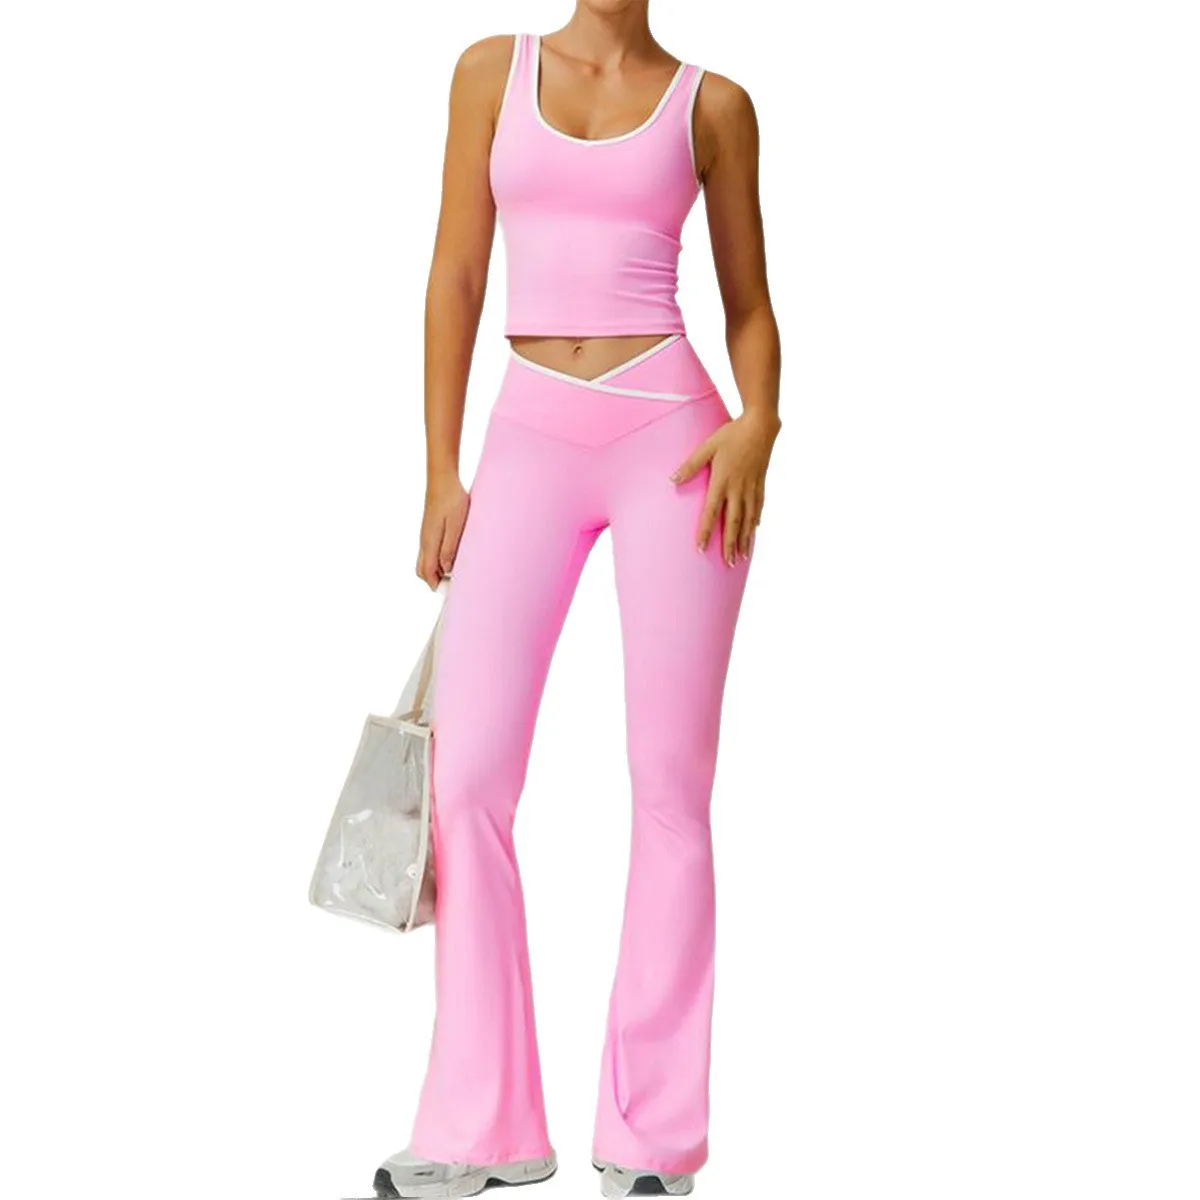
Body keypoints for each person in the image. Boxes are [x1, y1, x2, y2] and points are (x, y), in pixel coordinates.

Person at [374, 3, 781, 1197]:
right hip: (526, 437)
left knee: (670, 789)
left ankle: (651, 1143)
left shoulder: (713, 105)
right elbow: (456, 272)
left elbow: (750, 305)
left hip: (675, 441)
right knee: (466, 781)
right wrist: (441, 471)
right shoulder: (489, 73)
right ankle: (479, 1127)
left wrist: (761, 424)